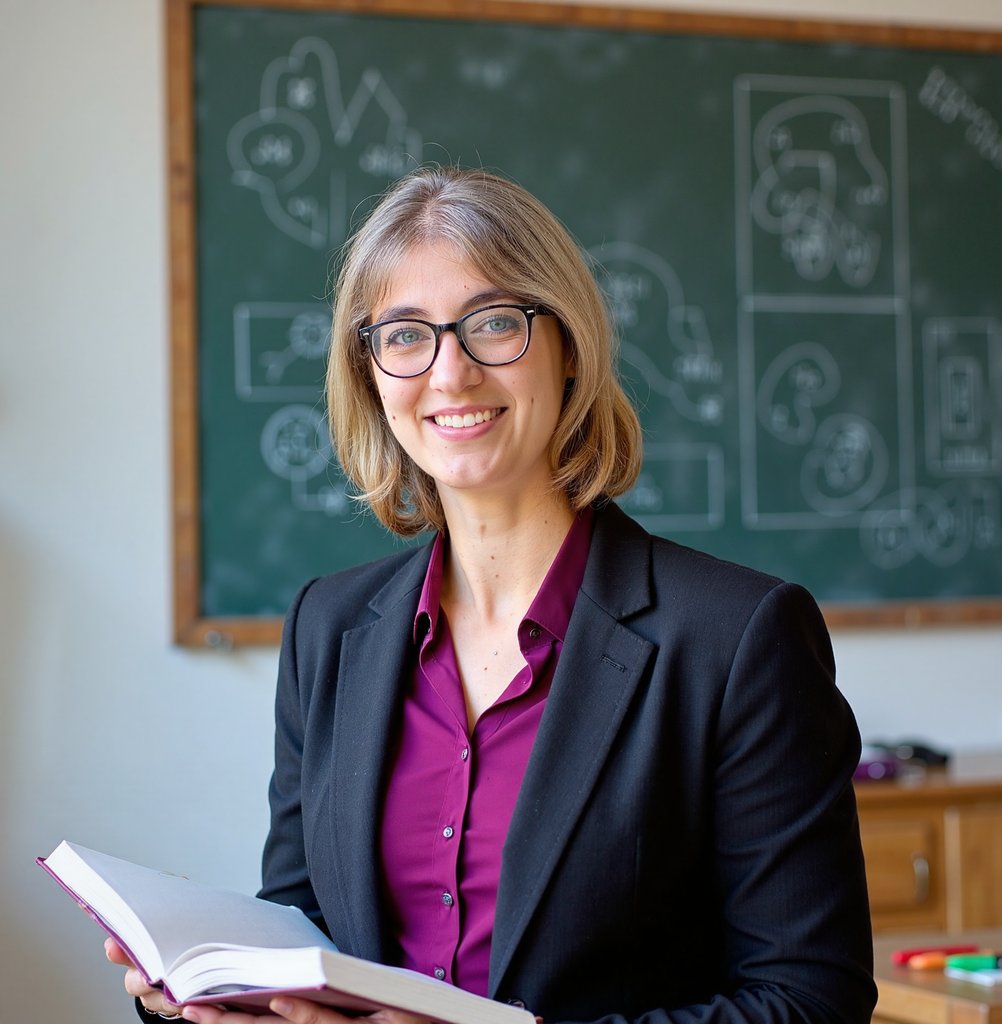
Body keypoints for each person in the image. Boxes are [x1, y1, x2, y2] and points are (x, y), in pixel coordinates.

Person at [111, 164, 876, 1024]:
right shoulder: (328, 630)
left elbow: (811, 1001)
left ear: (569, 346)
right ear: (370, 374)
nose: (451, 372)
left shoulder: (737, 639)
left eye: (494, 324)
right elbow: (309, 938)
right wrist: (204, 988)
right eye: (404, 335)